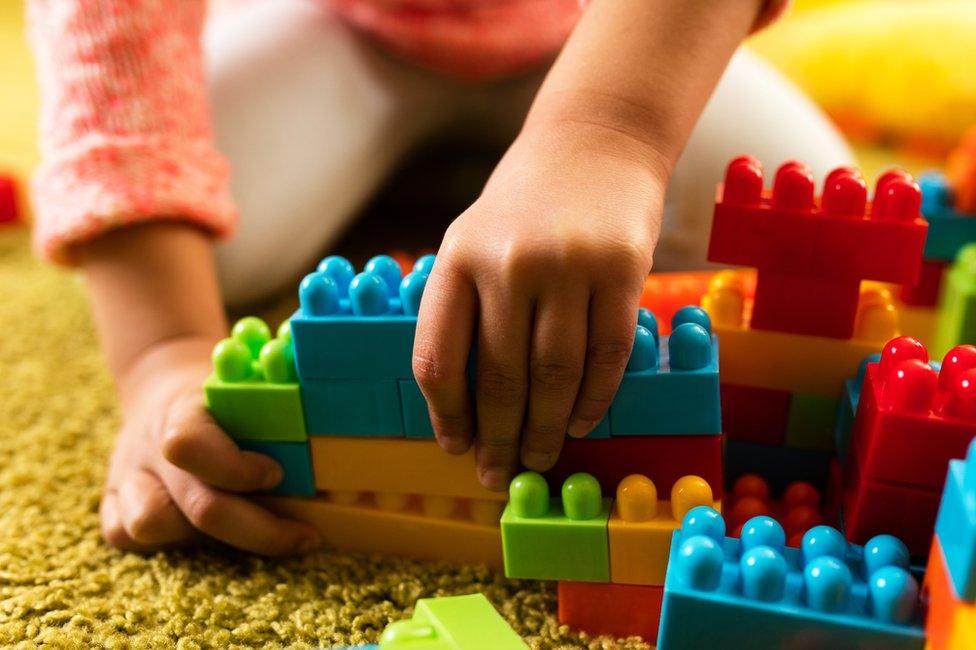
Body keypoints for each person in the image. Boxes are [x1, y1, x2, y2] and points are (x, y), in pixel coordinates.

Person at [28, 0, 851, 556]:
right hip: (334, 30)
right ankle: (454, 178)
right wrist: (163, 352)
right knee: (208, 249)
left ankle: (494, 171)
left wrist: (609, 132)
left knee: (814, 226)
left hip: (601, 28)